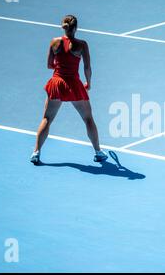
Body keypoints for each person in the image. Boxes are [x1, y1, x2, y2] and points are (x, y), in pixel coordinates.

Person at [30, 15, 108, 164]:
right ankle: (98, 152)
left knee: (47, 119)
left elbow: (49, 65)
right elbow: (87, 68)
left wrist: (60, 66)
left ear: (63, 27)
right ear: (76, 28)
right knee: (88, 119)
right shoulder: (82, 45)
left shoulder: (54, 42)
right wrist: (88, 83)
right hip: (74, 85)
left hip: (57, 84)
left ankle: (36, 152)